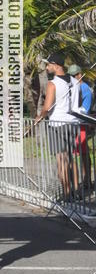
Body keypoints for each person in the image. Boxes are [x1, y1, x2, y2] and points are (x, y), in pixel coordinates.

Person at [34, 53, 80, 201]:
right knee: (70, 159)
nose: (47, 67)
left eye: (49, 65)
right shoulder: (75, 81)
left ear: (56, 65)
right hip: (73, 123)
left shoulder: (52, 84)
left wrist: (39, 117)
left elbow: (47, 107)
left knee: (61, 160)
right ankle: (76, 191)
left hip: (58, 124)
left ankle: (67, 193)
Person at [68, 64, 92, 197]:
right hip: (74, 123)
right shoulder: (74, 87)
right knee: (79, 153)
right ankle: (85, 179)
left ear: (79, 75)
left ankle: (87, 179)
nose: (72, 78)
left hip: (82, 123)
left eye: (73, 75)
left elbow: (85, 109)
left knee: (83, 153)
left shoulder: (85, 89)